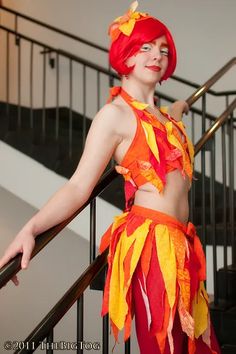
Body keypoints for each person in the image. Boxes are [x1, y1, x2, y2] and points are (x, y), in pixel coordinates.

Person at [0, 1, 221, 354]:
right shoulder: (114, 115)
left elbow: (176, 110)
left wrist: (181, 106)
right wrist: (30, 229)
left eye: (163, 49)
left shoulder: (166, 118)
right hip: (151, 246)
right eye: (145, 47)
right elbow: (77, 186)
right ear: (126, 55)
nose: (156, 55)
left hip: (181, 245)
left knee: (193, 344)